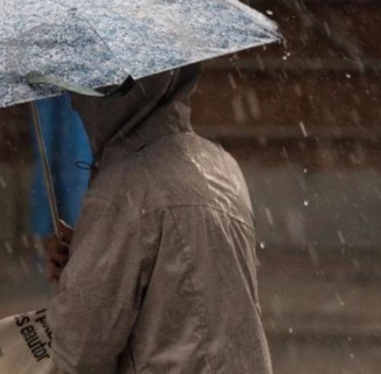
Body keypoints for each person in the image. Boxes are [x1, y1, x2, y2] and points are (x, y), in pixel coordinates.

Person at [45, 65, 272, 374]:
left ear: (115, 93)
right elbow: (184, 289)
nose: (74, 102)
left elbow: (81, 350)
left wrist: (81, 280)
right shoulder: (219, 163)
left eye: (84, 88)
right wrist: (87, 254)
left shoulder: (124, 187)